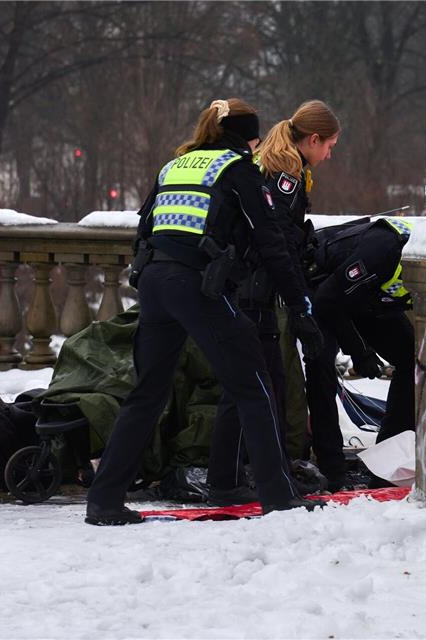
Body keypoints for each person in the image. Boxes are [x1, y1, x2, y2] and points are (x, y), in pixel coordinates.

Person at [85, 98, 321, 525]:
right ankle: (280, 497)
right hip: (199, 287)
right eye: (254, 140)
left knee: (147, 394)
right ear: (248, 138)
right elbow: (271, 242)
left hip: (155, 282)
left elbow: (144, 227)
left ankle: (103, 501)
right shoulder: (237, 169)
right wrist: (301, 303)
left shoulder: (174, 166)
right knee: (255, 386)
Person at [205, 101, 340, 505]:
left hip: (238, 288)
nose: (330, 154)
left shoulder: (267, 162)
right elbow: (274, 243)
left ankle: (228, 478)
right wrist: (299, 304)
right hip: (256, 293)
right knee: (267, 388)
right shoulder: (288, 177)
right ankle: (271, 480)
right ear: (312, 140)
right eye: (330, 145)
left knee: (248, 386)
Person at [301, 216, 416, 491]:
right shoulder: (384, 253)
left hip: (366, 296)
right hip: (322, 287)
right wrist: (360, 352)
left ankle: (387, 464)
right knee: (321, 364)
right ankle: (332, 469)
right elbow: (327, 301)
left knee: (413, 360)